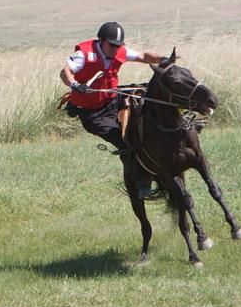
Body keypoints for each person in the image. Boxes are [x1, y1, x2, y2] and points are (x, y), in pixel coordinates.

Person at [59, 21, 167, 199]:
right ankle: (141, 181)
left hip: (114, 100)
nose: (115, 49)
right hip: (93, 114)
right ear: (101, 41)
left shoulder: (120, 51)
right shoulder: (84, 55)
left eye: (118, 46)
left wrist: (163, 60)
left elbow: (143, 56)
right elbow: (65, 72)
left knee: (148, 103)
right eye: (112, 45)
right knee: (126, 141)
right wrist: (75, 84)